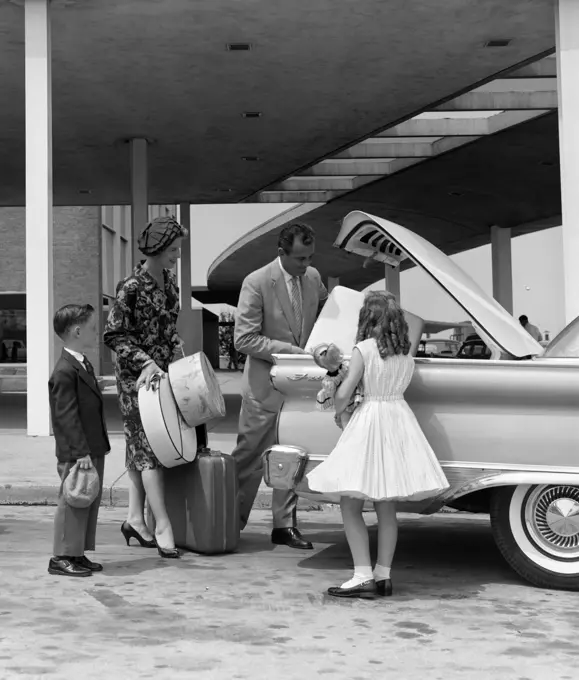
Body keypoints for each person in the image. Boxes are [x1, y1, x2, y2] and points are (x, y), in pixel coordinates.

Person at [307, 292, 449, 599]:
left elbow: (342, 397)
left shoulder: (364, 349)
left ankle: (362, 575)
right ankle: (384, 575)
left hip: (370, 421)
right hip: (399, 420)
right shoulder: (405, 355)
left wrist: (337, 385)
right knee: (387, 505)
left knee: (350, 502)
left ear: (367, 318)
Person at [233, 222, 328, 549]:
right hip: (264, 388)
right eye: (300, 258)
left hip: (300, 391)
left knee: (292, 455)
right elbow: (243, 339)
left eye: (310, 257)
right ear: (281, 253)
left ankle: (284, 525)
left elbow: (325, 319)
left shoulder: (313, 278)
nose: (306, 265)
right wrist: (291, 353)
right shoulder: (256, 282)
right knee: (248, 458)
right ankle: (229, 522)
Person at [104, 216, 188, 559]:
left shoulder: (170, 283)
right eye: (172, 250)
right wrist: (146, 361)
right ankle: (162, 524)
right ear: (155, 249)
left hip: (163, 377)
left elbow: (166, 329)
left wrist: (173, 348)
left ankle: (134, 519)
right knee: (150, 448)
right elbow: (114, 335)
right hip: (135, 379)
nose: (177, 257)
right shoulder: (131, 286)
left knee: (140, 448)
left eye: (178, 250)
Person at [48, 304, 110, 577]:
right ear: (76, 331)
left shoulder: (81, 363)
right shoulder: (64, 371)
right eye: (93, 328)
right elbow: (65, 416)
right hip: (79, 451)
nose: (97, 333)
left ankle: (76, 552)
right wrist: (80, 452)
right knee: (72, 500)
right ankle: (60, 557)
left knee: (87, 500)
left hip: (91, 447)